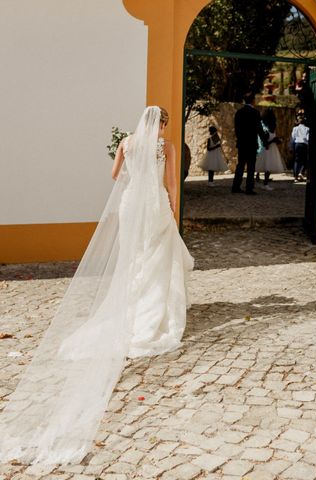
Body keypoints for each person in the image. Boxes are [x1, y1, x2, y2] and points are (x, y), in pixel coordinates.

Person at [0, 106, 193, 465]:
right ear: (162, 124)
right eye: (165, 123)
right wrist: (172, 208)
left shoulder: (127, 143)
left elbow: (114, 174)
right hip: (152, 207)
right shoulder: (164, 147)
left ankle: (129, 305)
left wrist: (132, 173)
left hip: (131, 203)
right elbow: (170, 184)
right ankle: (152, 312)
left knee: (131, 259)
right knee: (154, 260)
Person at [232, 92, 268, 195]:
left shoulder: (239, 112)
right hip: (252, 143)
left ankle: (235, 186)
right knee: (251, 166)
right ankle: (249, 188)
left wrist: (240, 139)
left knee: (240, 165)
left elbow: (237, 129)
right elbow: (259, 128)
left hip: (242, 143)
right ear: (253, 100)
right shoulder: (255, 113)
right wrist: (265, 141)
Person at [255, 108, 284, 190]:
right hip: (267, 151)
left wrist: (277, 140)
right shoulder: (266, 131)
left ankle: (265, 183)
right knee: (267, 167)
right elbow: (265, 143)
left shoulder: (271, 130)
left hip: (271, 150)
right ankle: (265, 184)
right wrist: (274, 140)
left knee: (268, 168)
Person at [291, 114, 310, 182]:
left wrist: (291, 146)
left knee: (297, 160)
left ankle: (295, 177)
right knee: (305, 160)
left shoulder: (295, 128)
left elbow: (293, 138)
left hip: (297, 144)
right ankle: (301, 172)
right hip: (304, 145)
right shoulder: (307, 129)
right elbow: (308, 138)